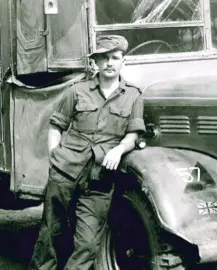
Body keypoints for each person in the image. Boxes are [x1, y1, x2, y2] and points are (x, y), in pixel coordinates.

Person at [29, 35, 146, 270]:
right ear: (96, 63)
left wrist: (119, 149)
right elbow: (56, 126)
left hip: (99, 179)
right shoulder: (77, 91)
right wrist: (55, 158)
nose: (109, 63)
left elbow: (133, 135)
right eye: (104, 58)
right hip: (65, 173)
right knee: (50, 234)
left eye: (115, 58)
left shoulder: (133, 96)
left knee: (88, 243)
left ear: (124, 61)